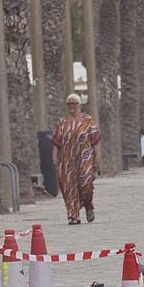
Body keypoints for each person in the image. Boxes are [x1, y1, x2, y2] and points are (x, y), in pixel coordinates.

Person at [52, 94, 101, 225]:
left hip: (85, 158)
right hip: (67, 160)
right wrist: (54, 156)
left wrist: (97, 158)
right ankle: (73, 215)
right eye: (70, 104)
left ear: (79, 105)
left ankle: (88, 205)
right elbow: (57, 141)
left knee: (86, 184)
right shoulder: (63, 122)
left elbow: (95, 140)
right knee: (69, 187)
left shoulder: (88, 121)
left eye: (75, 103)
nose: (72, 106)